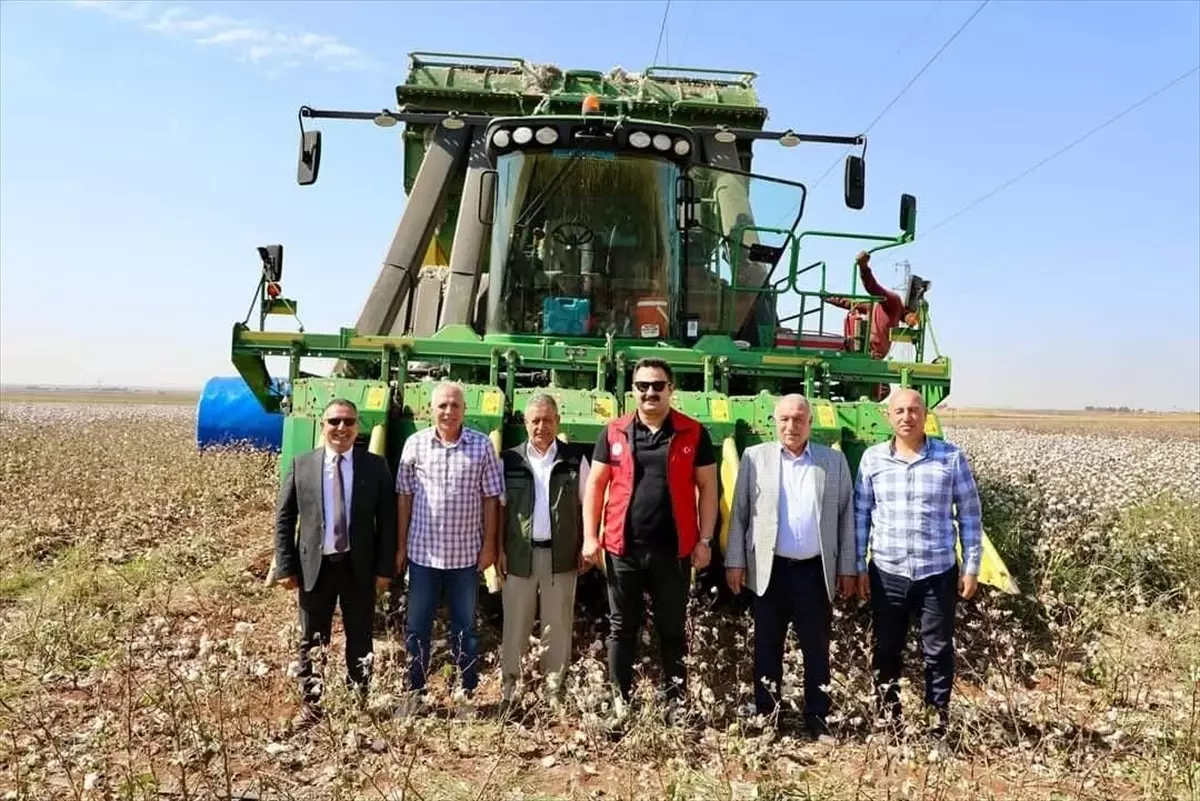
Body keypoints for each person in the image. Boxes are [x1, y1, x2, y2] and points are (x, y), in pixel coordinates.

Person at [582, 358, 719, 717]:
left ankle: (674, 701)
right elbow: (596, 486)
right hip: (622, 549)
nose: (650, 393)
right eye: (643, 386)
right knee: (620, 628)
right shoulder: (614, 432)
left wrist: (705, 541)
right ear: (633, 391)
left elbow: (708, 488)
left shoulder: (693, 432)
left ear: (671, 390)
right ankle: (619, 703)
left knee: (671, 628)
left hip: (673, 551)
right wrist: (589, 537)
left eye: (658, 386)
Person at [723, 394, 857, 737]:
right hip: (770, 571)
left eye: (798, 419)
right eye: (784, 419)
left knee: (816, 649)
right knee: (767, 647)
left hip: (815, 571)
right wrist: (736, 561)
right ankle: (767, 718)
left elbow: (845, 519)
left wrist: (847, 568)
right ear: (774, 422)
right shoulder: (755, 458)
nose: (791, 426)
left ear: (810, 423)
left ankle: (818, 718)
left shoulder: (833, 462)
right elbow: (739, 516)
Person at [854, 388, 983, 736]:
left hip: (937, 571)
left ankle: (936, 725)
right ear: (888, 417)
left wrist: (972, 566)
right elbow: (861, 515)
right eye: (899, 411)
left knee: (938, 652)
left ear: (925, 415)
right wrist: (857, 564)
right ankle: (889, 722)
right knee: (885, 650)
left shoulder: (951, 457)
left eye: (914, 410)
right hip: (887, 572)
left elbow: (970, 514)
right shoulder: (872, 459)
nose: (906, 417)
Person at [273, 398, 397, 728]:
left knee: (360, 638)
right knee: (312, 639)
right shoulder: (302, 466)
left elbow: (387, 521)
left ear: (358, 428)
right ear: (323, 425)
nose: (341, 428)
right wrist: (285, 567)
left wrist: (385, 569)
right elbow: (285, 519)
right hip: (316, 569)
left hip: (358, 568)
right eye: (334, 421)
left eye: (348, 422)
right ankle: (312, 706)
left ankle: (358, 702)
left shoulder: (375, 466)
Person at [395, 381, 503, 714]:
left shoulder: (482, 446)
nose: (449, 411)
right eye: (443, 405)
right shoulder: (415, 445)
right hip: (423, 554)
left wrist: (488, 547)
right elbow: (404, 498)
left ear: (464, 411)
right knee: (417, 626)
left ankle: (465, 695)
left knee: (465, 628)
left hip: (465, 556)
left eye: (455, 406)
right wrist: (400, 545)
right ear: (431, 409)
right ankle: (415, 693)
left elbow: (491, 499)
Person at [497, 394, 591, 710]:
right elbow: (499, 511)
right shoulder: (507, 460)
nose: (541, 426)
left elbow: (587, 506)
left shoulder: (575, 460)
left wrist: (585, 545)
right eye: (535, 420)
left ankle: (554, 692)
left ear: (557, 422)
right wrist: (498, 550)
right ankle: (511, 692)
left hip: (560, 557)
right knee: (515, 625)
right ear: (525, 423)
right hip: (519, 555)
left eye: (547, 420)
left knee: (558, 625)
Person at [826, 251, 916, 360]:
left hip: (873, 353)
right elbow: (850, 302)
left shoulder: (891, 303)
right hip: (870, 351)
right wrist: (829, 297)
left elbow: (873, 289)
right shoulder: (887, 302)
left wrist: (863, 267)